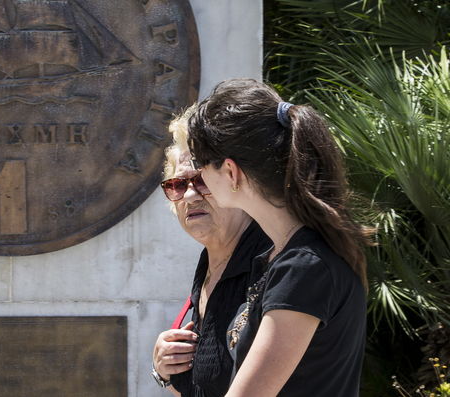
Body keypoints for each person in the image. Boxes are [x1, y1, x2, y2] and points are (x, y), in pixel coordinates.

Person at [186, 78, 374, 397]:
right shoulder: (282, 258)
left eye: (200, 166)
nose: (196, 181)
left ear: (231, 173)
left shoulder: (304, 266)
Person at [152, 108, 271, 396]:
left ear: (233, 179)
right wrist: (166, 373)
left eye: (201, 181)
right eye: (178, 185)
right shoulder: (206, 271)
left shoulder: (275, 265)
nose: (190, 196)